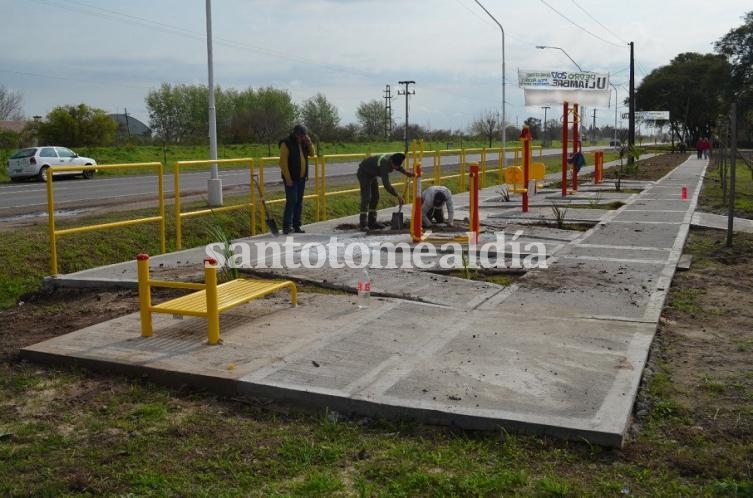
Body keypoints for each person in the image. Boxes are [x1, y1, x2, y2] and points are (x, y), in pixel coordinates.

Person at [356, 152, 413, 230]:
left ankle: (372, 222)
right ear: (391, 162)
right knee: (367, 197)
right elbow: (387, 185)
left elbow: (398, 167)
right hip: (364, 173)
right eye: (394, 167)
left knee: (375, 197)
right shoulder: (384, 164)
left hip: (372, 174)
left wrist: (406, 173)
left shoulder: (392, 160)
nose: (394, 169)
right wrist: (398, 196)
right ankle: (363, 224)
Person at [279, 124, 315, 234]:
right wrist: (288, 178)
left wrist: (309, 143)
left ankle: (296, 225)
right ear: (296, 134)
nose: (303, 138)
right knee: (292, 201)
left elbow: (313, 154)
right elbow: (283, 162)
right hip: (291, 178)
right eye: (301, 136)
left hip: (301, 178)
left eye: (304, 136)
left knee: (299, 201)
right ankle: (287, 225)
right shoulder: (286, 143)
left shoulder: (304, 143)